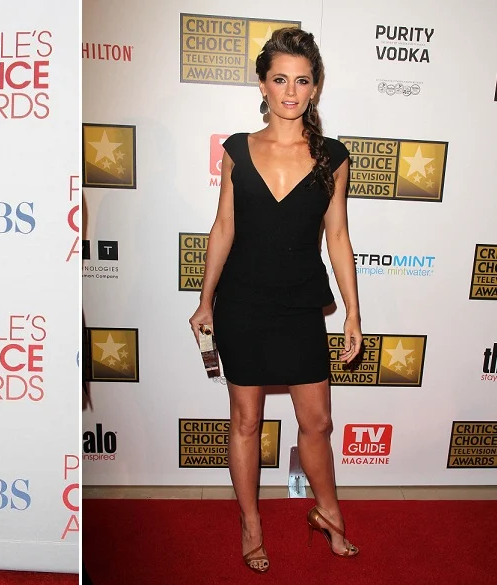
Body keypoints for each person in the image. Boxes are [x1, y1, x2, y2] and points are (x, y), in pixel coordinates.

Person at [188, 28, 362, 574]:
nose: (291, 91)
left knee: (318, 423)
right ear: (263, 84)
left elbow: (338, 235)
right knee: (246, 422)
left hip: (300, 306)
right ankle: (251, 523)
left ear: (315, 88)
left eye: (302, 81)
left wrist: (354, 311)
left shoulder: (332, 157)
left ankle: (327, 512)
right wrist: (205, 301)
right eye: (280, 79)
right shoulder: (237, 150)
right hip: (242, 304)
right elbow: (222, 227)